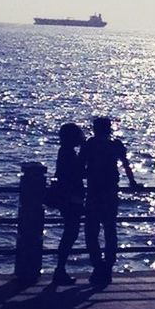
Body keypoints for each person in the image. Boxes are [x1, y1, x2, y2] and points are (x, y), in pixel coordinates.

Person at [82, 116, 139, 285]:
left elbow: (80, 166)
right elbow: (126, 165)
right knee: (110, 230)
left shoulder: (89, 145)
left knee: (92, 231)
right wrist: (132, 182)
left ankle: (97, 265)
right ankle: (108, 266)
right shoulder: (115, 145)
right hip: (110, 192)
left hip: (93, 192)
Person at [51, 122, 86, 285]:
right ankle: (60, 269)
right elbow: (79, 172)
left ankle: (60, 269)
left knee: (69, 233)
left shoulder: (64, 151)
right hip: (72, 198)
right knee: (70, 233)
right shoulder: (69, 154)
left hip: (66, 197)